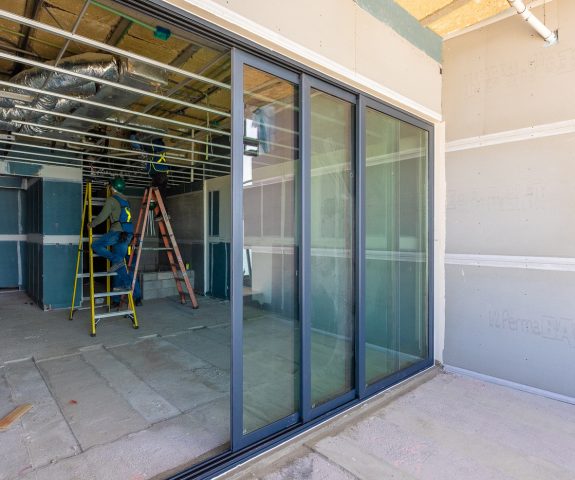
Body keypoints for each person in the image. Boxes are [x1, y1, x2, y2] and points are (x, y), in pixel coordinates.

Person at [89, 176, 134, 275]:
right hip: (128, 233)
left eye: (110, 186)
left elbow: (102, 216)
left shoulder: (112, 200)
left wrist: (91, 224)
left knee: (96, 245)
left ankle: (117, 261)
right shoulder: (127, 201)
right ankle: (127, 282)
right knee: (120, 265)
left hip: (117, 232)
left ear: (113, 188)